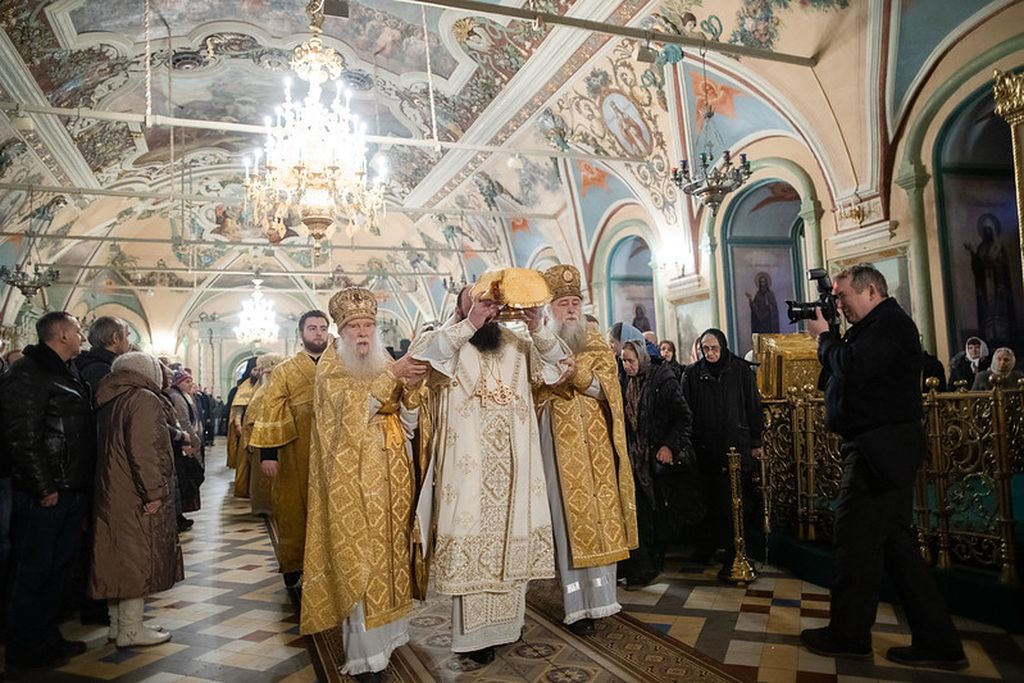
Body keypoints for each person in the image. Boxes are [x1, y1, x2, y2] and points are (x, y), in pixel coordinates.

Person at [803, 263, 966, 670]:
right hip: (877, 447)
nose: (838, 305)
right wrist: (833, 341)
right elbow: (843, 374)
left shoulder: (890, 325)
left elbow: (853, 368)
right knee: (898, 551)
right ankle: (939, 643)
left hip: (879, 450)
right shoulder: (870, 328)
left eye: (843, 296)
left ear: (871, 291)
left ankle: (849, 636)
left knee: (854, 544)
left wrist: (824, 339)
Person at [409, 276, 568, 664]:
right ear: (461, 309)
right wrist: (469, 325)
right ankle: (473, 639)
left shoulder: (518, 345)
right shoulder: (446, 344)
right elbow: (421, 357)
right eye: (478, 304)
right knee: (474, 544)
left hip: (516, 472)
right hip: (468, 474)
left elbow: (560, 366)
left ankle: (506, 629)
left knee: (510, 549)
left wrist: (538, 326)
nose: (488, 312)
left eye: (492, 306)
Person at [302, 288, 426, 682]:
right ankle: (365, 655)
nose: (362, 332)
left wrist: (412, 393)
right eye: (354, 326)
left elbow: (408, 422)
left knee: (392, 557)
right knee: (362, 561)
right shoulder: (331, 368)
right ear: (341, 331)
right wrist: (394, 379)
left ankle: (390, 639)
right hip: (352, 483)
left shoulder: (384, 361)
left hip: (393, 478)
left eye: (368, 325)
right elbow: (348, 416)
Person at [534, 265, 638, 636]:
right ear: (550, 309)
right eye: (563, 303)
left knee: (601, 520)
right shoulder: (538, 344)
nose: (571, 309)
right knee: (566, 521)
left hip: (596, 449)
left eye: (575, 302)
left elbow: (606, 390)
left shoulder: (594, 341)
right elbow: (532, 391)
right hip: (557, 448)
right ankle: (577, 607)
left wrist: (576, 376)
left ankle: (603, 599)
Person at [0, 312, 95, 670]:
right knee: (33, 570)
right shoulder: (28, 373)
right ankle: (23, 648)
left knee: (57, 568)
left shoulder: (68, 372)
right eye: (78, 331)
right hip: (48, 490)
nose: (82, 336)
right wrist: (43, 486)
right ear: (62, 335)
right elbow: (22, 436)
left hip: (71, 486)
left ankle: (46, 637)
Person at [90, 352, 182, 647]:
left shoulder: (111, 397)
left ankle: (118, 625)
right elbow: (145, 449)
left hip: (112, 489)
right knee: (136, 557)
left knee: (117, 557)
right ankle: (131, 630)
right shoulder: (143, 398)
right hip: (134, 491)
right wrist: (154, 492)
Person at [249, 310, 330, 588]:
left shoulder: (339, 366)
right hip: (295, 449)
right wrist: (268, 455)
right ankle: (294, 564)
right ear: (301, 333)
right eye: (312, 328)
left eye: (323, 328)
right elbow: (270, 409)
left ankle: (330, 564)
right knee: (294, 506)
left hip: (334, 450)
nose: (318, 333)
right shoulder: (285, 369)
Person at [681, 328, 763, 578]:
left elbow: (753, 407)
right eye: (705, 349)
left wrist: (756, 442)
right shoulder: (693, 374)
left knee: (735, 503)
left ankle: (735, 554)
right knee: (709, 500)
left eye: (714, 348)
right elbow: (686, 411)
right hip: (706, 449)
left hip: (735, 448)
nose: (710, 353)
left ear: (723, 347)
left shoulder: (740, 370)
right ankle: (709, 546)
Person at [619, 339, 693, 587]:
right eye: (623, 361)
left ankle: (651, 566)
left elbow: (684, 418)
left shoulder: (663, 380)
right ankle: (639, 568)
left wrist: (668, 445)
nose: (626, 366)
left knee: (654, 514)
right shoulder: (626, 381)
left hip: (655, 459)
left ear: (641, 358)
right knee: (638, 514)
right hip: (634, 458)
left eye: (630, 360)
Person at [240, 354, 284, 515]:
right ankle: (266, 506)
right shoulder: (263, 391)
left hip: (274, 439)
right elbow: (252, 418)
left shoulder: (264, 390)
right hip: (262, 441)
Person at [166, 369, 203, 529]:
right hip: (184, 441)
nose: (190, 384)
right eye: (187, 381)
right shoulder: (177, 397)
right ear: (178, 382)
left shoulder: (185, 396)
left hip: (188, 438)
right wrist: (192, 441)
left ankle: (181, 513)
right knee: (186, 478)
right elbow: (183, 421)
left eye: (191, 381)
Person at [75, 316, 131, 392]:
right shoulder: (103, 372)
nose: (129, 342)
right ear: (115, 338)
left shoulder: (86, 360)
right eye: (126, 336)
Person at [225, 357, 258, 469]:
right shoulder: (244, 386)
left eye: (259, 369)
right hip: (246, 426)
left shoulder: (265, 384)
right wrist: (238, 425)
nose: (257, 373)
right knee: (245, 458)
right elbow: (238, 408)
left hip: (260, 425)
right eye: (255, 369)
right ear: (249, 370)